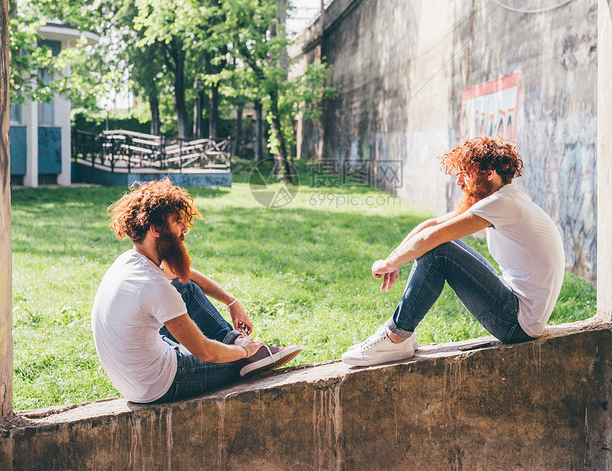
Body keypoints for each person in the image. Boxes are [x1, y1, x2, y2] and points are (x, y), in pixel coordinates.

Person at [342, 136, 565, 366]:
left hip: (517, 323)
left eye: (466, 173)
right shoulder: (505, 198)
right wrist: (392, 260)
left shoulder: (501, 203)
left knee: (438, 252)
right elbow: (432, 225)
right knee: (440, 246)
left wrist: (390, 264)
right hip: (516, 307)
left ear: (490, 173)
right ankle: (400, 335)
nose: (459, 181)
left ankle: (396, 336)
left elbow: (431, 238)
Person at [91, 178, 300, 404]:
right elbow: (205, 352)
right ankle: (251, 356)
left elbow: (183, 275)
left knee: (185, 287)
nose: (185, 229)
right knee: (239, 362)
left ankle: (234, 341)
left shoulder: (130, 262)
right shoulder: (154, 286)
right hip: (158, 384)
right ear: (157, 229)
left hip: (131, 377)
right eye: (178, 222)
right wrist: (245, 352)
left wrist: (231, 301)